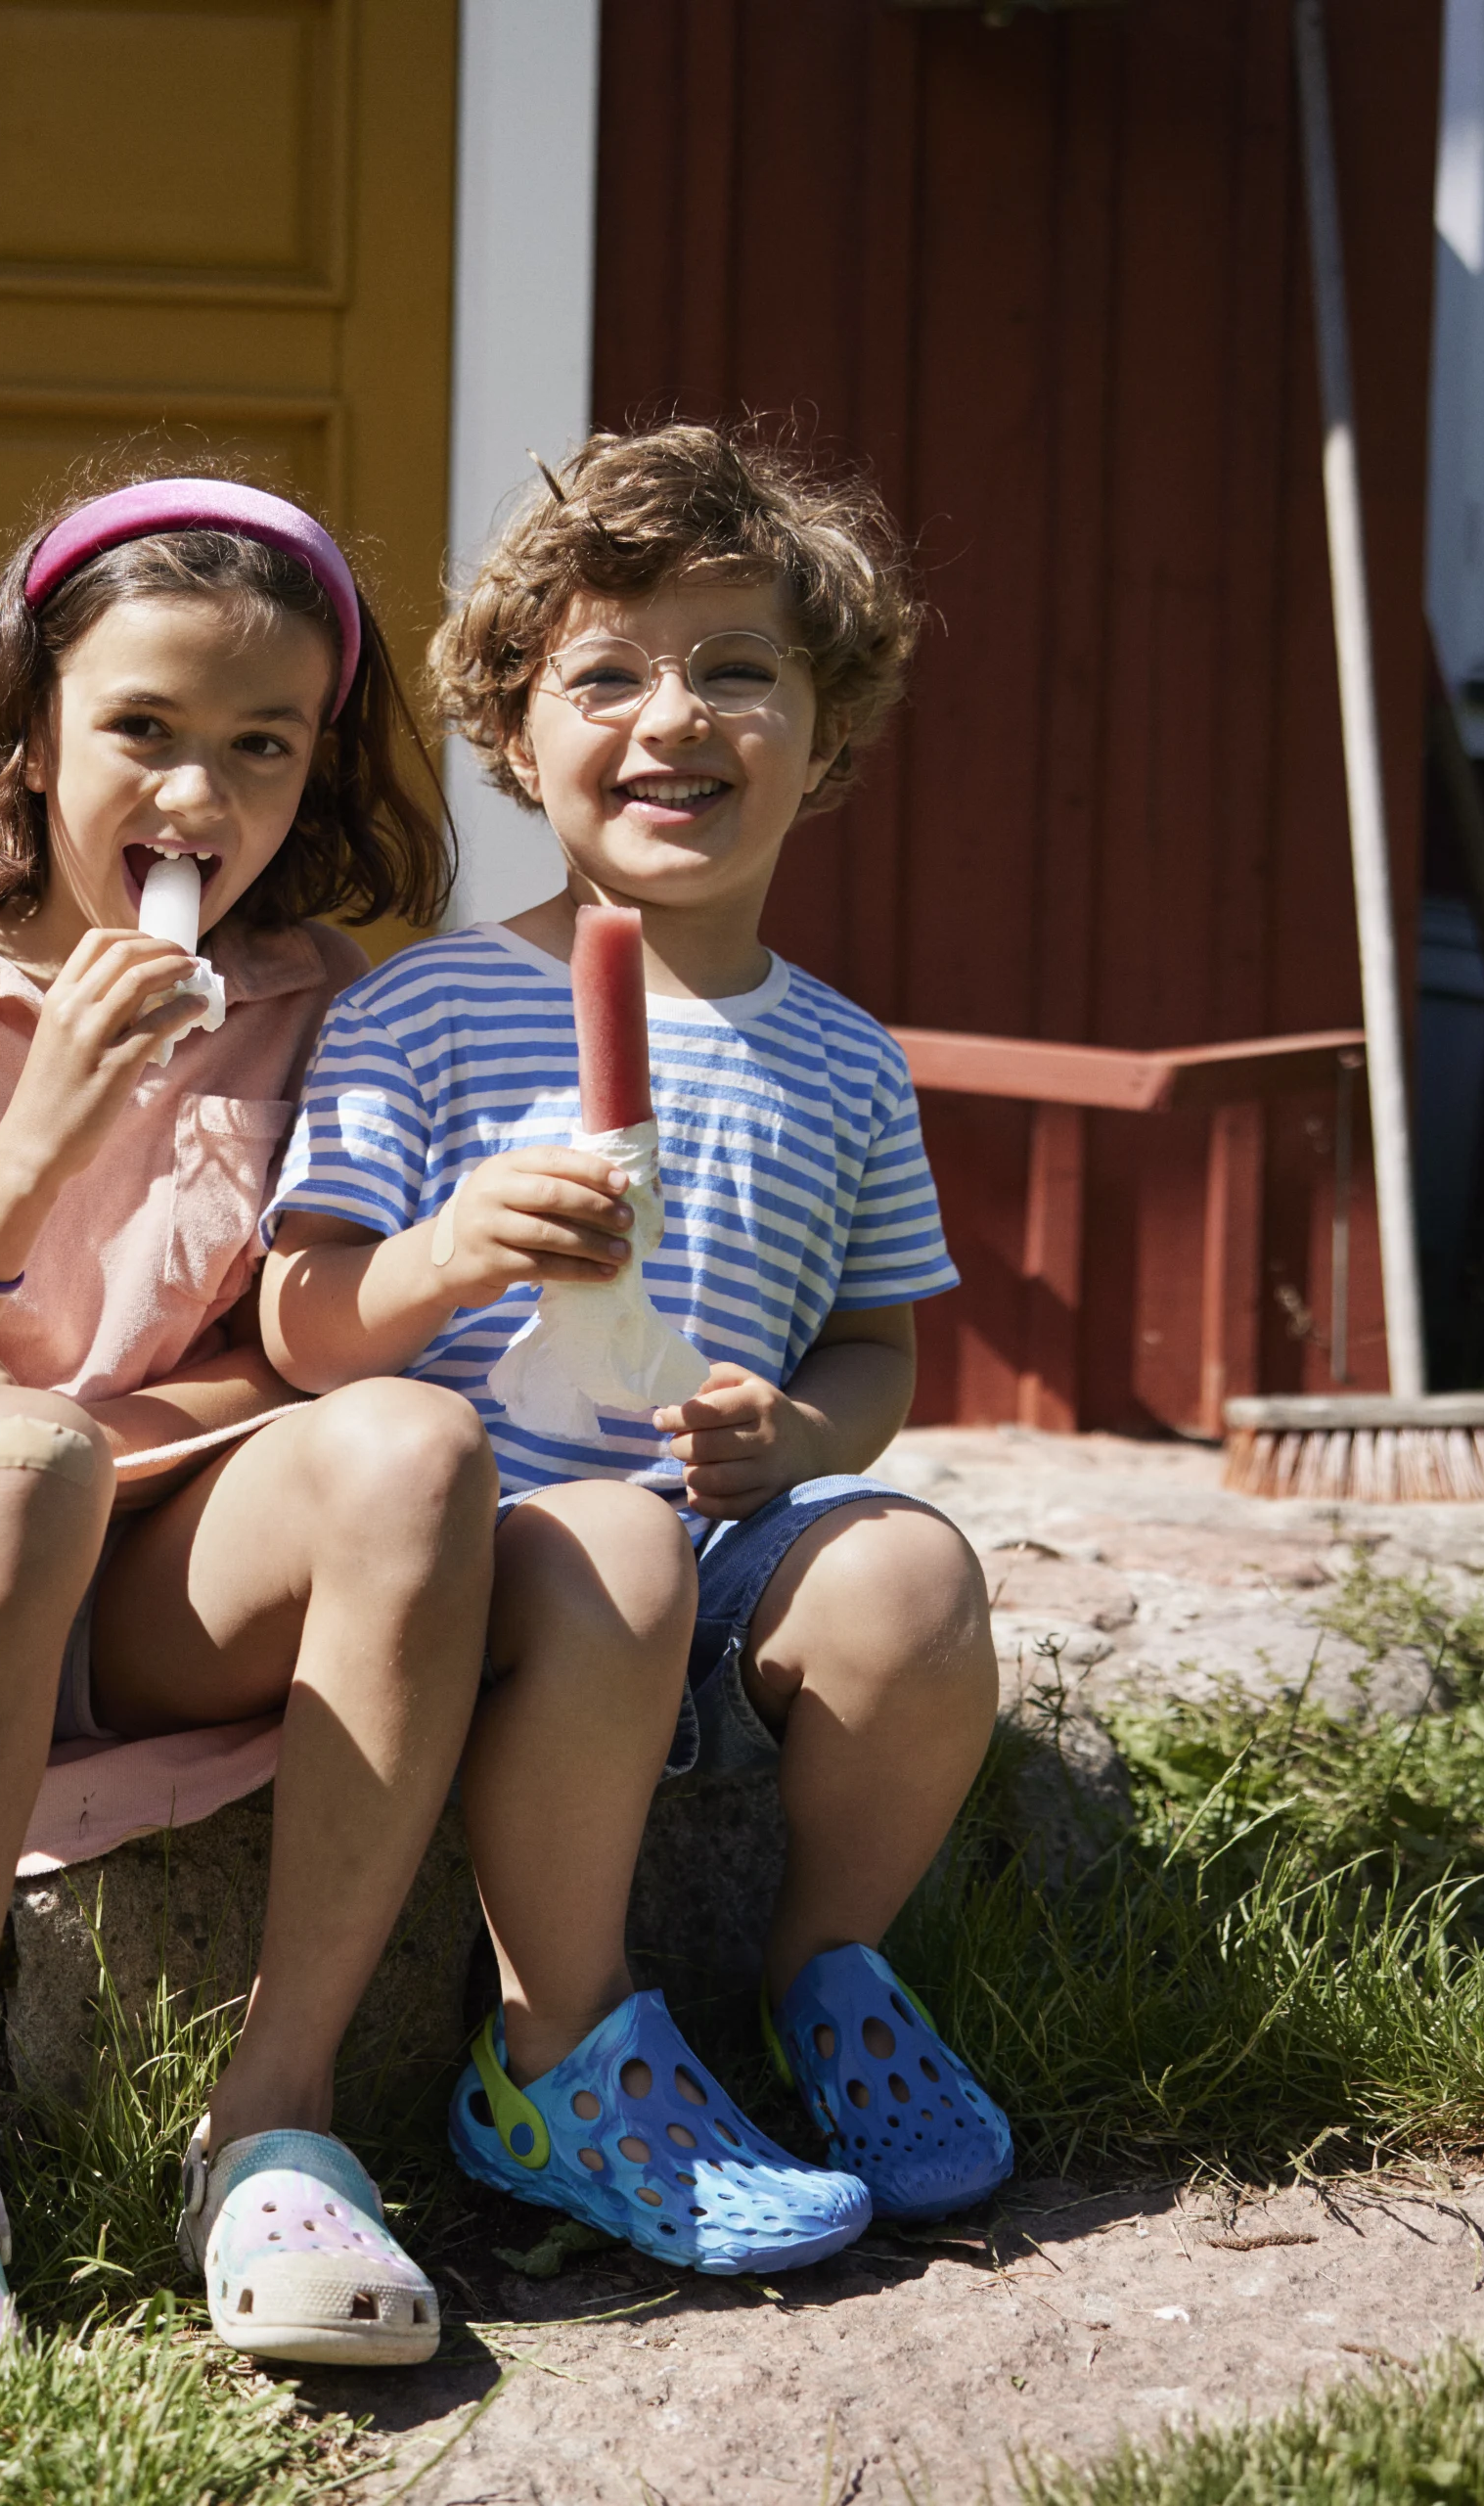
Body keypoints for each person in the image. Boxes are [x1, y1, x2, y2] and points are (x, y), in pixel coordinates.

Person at [0, 476, 503, 2380]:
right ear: (29, 726)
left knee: (414, 1450)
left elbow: (304, 1354)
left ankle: (274, 2114)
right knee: (16, 1453)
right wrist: (39, 1141)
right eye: (144, 733)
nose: (200, 796)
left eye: (260, 747)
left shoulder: (322, 997)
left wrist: (144, 1413)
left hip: (155, 1559)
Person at [262, 423, 1012, 2273]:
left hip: (719, 1536)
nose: (672, 716)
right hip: (506, 1561)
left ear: (825, 741)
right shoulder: (429, 1005)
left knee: (915, 1575)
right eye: (606, 674)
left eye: (737, 672)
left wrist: (802, 1438)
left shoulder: (844, 1056)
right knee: (599, 1540)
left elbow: (875, 1351)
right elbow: (302, 1321)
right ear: (519, 741)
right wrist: (446, 1253)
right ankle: (559, 2051)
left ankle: (825, 1978)